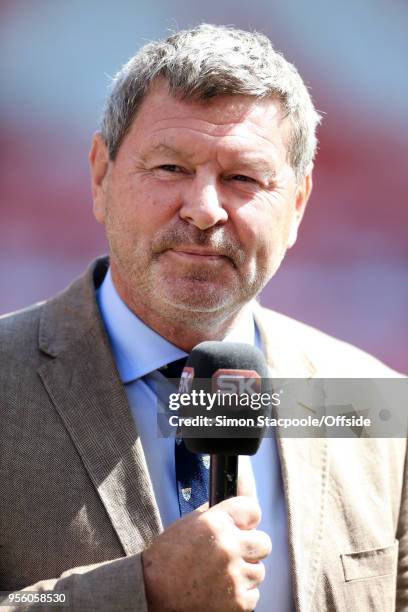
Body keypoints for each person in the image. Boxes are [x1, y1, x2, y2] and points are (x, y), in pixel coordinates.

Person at [0, 24, 406, 612]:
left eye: (243, 178)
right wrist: (142, 590)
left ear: (297, 204)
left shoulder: (378, 403)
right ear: (100, 176)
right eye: (169, 169)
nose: (204, 208)